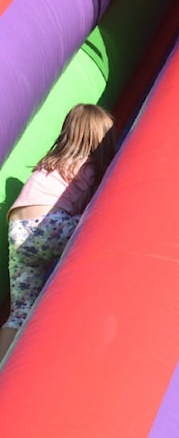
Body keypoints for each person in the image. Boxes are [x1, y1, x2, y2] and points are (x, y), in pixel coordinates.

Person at [0, 103, 117, 360]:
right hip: (49, 226)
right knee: (97, 223)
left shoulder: (49, 163)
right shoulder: (87, 166)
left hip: (18, 234)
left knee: (19, 311)